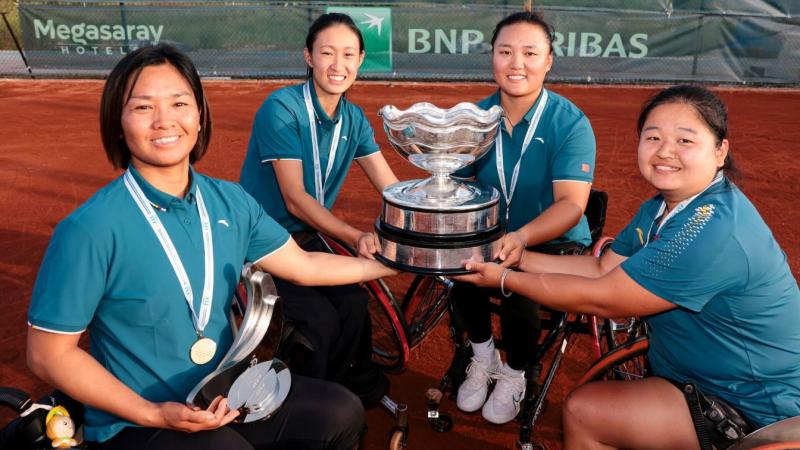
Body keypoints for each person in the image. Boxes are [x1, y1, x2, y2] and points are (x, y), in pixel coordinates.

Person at [26, 44, 397, 450]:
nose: (164, 120)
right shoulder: (91, 228)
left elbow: (303, 264)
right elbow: (49, 354)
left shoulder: (229, 202)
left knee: (340, 413)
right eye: (143, 107)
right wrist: (153, 413)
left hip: (223, 396)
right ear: (117, 123)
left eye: (179, 103)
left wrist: (393, 263)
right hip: (137, 418)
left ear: (200, 116)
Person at [458, 85, 800, 449]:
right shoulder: (662, 207)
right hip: (702, 382)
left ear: (720, 151)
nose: (665, 150)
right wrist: (520, 256)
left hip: (758, 410)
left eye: (685, 140)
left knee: (584, 412)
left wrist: (505, 278)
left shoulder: (713, 228)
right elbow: (603, 268)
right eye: (653, 137)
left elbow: (606, 298)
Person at [239, 12, 398, 404]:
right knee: (321, 319)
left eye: (348, 54)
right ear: (309, 56)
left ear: (361, 60)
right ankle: (306, 404)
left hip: (305, 235)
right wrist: (354, 235)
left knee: (355, 302)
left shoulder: (354, 119)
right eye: (327, 52)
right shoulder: (282, 108)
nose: (338, 65)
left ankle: (344, 388)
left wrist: (429, 220)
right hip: (260, 240)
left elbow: (391, 186)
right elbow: (294, 198)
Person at [449, 10, 596, 424]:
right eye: (506, 51)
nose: (517, 64)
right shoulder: (473, 118)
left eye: (530, 53)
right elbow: (458, 187)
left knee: (519, 288)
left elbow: (570, 205)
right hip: (493, 234)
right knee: (460, 266)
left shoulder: (570, 123)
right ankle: (483, 355)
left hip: (551, 238)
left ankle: (515, 373)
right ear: (491, 57)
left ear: (549, 60)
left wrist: (522, 237)